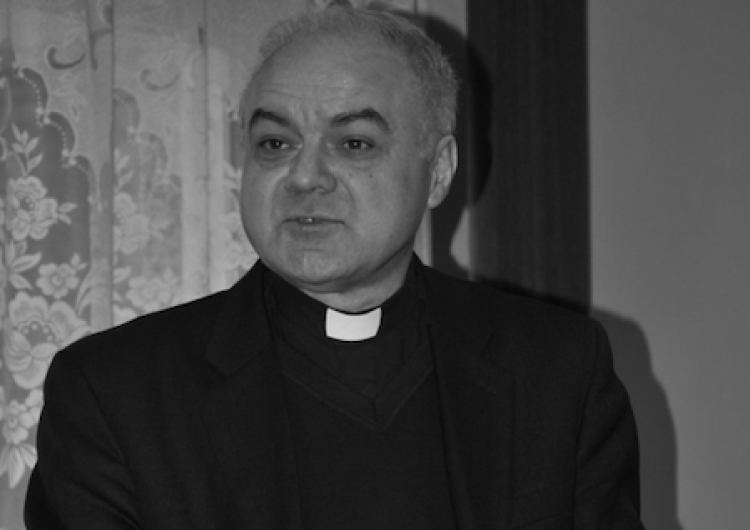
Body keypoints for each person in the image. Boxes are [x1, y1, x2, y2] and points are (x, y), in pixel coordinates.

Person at [25, 5, 644, 529]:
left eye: (354, 143)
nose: (305, 177)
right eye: (275, 143)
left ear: (438, 171)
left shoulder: (557, 371)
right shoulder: (114, 394)